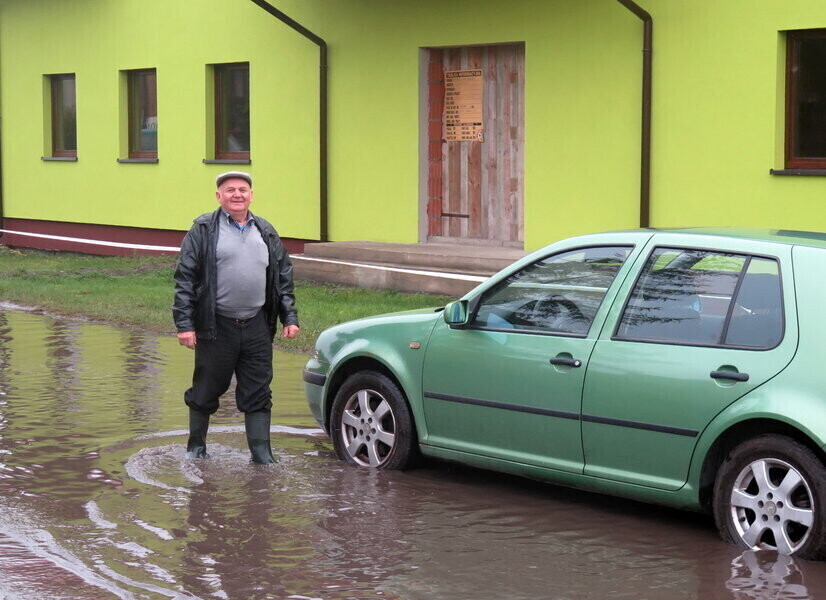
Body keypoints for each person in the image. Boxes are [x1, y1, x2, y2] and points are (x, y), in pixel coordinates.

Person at [172, 171, 299, 464]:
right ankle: (196, 446)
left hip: (257, 325)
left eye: (243, 189)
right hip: (216, 326)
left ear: (252, 195)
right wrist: (185, 325)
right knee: (206, 388)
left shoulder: (265, 230)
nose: (237, 194)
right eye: (230, 190)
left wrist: (289, 317)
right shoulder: (203, 229)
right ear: (219, 196)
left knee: (258, 390)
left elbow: (283, 278)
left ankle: (262, 454)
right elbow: (185, 280)